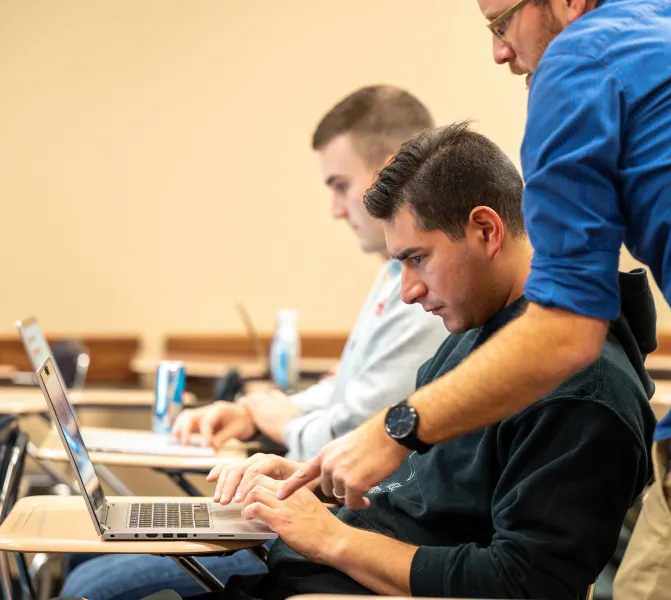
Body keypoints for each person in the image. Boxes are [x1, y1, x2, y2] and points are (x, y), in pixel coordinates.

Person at [283, 0, 671, 597]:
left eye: (502, 22)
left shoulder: (582, 59)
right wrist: (310, 482)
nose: (499, 51)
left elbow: (566, 337)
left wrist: (395, 430)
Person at [127, 122, 655, 600]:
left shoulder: (583, 389)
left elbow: (523, 584)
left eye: (418, 258)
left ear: (486, 230)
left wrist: (332, 539)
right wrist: (312, 482)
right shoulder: (482, 333)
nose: (407, 291)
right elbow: (431, 497)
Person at [58, 86, 449, 600]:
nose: (337, 209)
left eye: (341, 185)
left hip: (353, 526)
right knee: (83, 560)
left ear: (392, 170)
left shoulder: (427, 295)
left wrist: (275, 417)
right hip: (328, 507)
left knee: (89, 585)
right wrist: (253, 411)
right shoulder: (394, 274)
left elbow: (352, 437)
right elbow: (345, 395)